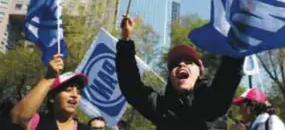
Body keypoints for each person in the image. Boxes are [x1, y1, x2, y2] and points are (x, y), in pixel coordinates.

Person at [116, 16, 245, 130]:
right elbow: (131, 87)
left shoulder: (212, 100)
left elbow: (228, 75)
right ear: (170, 76)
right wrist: (125, 41)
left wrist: (238, 37)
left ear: (200, 71)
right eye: (175, 64)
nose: (181, 64)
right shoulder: (161, 107)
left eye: (189, 62)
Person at [10, 54, 89, 130]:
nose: (75, 95)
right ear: (52, 97)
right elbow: (18, 117)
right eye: (68, 90)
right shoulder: (38, 121)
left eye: (79, 92)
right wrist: (49, 78)